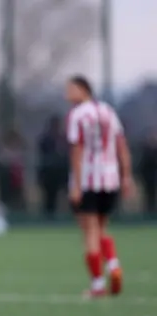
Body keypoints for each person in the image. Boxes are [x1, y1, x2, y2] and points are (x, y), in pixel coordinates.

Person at [65, 75, 135, 298]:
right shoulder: (108, 111)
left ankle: (97, 284)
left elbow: (77, 151)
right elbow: (122, 146)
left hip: (88, 178)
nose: (67, 93)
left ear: (83, 89)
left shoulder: (77, 115)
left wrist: (76, 184)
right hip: (110, 177)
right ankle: (113, 264)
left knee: (89, 232)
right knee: (102, 228)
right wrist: (127, 177)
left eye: (71, 89)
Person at [37, 115, 68, 218]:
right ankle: (48, 218)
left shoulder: (63, 138)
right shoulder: (45, 139)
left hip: (62, 173)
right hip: (49, 174)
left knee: (66, 196)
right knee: (49, 198)